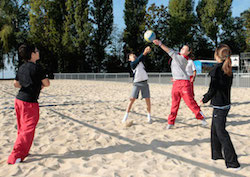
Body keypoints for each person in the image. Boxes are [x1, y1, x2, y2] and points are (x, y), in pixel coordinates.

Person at [7, 44, 50, 164]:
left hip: (19, 100)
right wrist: (36, 86)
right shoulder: (37, 68)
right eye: (36, 50)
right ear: (32, 54)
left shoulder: (21, 67)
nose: (38, 52)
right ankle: (15, 156)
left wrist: (28, 85)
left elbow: (16, 83)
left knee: (22, 128)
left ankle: (24, 151)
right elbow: (46, 83)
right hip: (29, 103)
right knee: (27, 129)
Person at [201, 44, 241, 170]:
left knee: (221, 132)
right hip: (225, 104)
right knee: (214, 130)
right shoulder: (227, 68)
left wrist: (205, 98)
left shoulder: (217, 70)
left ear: (217, 55)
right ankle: (217, 155)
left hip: (220, 106)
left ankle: (233, 163)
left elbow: (212, 89)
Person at [153, 39, 207, 129]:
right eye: (182, 48)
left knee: (190, 103)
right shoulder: (177, 56)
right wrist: (175, 77)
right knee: (174, 104)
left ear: (188, 52)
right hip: (176, 83)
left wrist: (160, 44)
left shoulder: (183, 58)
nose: (182, 49)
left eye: (184, 49)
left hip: (184, 83)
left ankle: (201, 118)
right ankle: (170, 122)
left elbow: (168, 50)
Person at [122, 46, 152, 124]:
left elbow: (141, 58)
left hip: (145, 83)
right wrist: (144, 52)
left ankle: (149, 116)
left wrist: (146, 52)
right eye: (132, 56)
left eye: (134, 55)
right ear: (129, 59)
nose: (134, 56)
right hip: (137, 83)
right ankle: (125, 117)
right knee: (132, 99)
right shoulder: (133, 64)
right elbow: (139, 59)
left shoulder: (140, 62)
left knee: (148, 100)